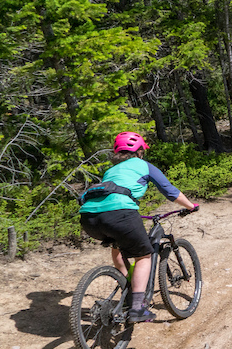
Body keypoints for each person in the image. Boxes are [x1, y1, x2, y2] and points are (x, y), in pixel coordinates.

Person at [79, 131, 199, 323]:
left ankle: (128, 285)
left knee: (118, 247)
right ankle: (137, 308)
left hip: (89, 217)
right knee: (144, 255)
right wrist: (191, 206)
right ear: (140, 150)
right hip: (121, 213)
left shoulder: (111, 170)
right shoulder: (144, 166)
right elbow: (169, 191)